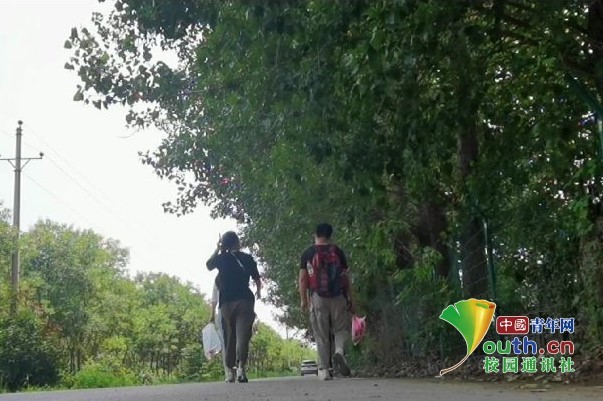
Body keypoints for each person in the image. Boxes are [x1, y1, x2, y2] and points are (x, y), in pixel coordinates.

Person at [299, 223, 354, 380]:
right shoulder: (338, 251)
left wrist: (303, 300)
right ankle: (339, 351)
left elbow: (303, 279)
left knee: (321, 334)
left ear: (315, 234)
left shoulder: (308, 253)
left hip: (318, 297)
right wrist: (351, 298)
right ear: (330, 235)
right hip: (338, 296)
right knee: (340, 329)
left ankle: (324, 370)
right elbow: (345, 278)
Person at [207, 231, 262, 383]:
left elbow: (209, 265)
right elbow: (257, 278)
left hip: (226, 303)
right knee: (243, 335)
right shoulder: (247, 258)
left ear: (224, 244)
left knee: (229, 337)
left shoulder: (221, 258)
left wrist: (217, 249)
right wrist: (258, 291)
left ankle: (230, 370)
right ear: (238, 242)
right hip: (245, 301)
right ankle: (241, 369)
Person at [210, 276, 226, 356]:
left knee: (224, 340)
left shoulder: (218, 277)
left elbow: (214, 299)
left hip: (223, 311)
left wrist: (212, 315)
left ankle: (228, 364)